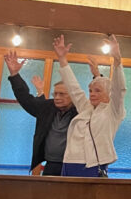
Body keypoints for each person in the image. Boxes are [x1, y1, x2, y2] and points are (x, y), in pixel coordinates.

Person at [51, 34, 127, 177]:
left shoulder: (113, 111)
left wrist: (117, 59)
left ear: (108, 94)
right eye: (91, 90)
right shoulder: (86, 108)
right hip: (69, 162)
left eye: (97, 91)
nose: (92, 94)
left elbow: (119, 89)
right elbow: (73, 89)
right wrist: (62, 59)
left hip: (92, 165)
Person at [3, 50, 75, 176]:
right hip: (50, 165)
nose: (57, 97)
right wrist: (14, 75)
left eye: (62, 94)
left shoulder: (81, 111)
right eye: (55, 94)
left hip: (75, 165)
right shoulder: (48, 107)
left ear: (74, 96)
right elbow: (26, 99)